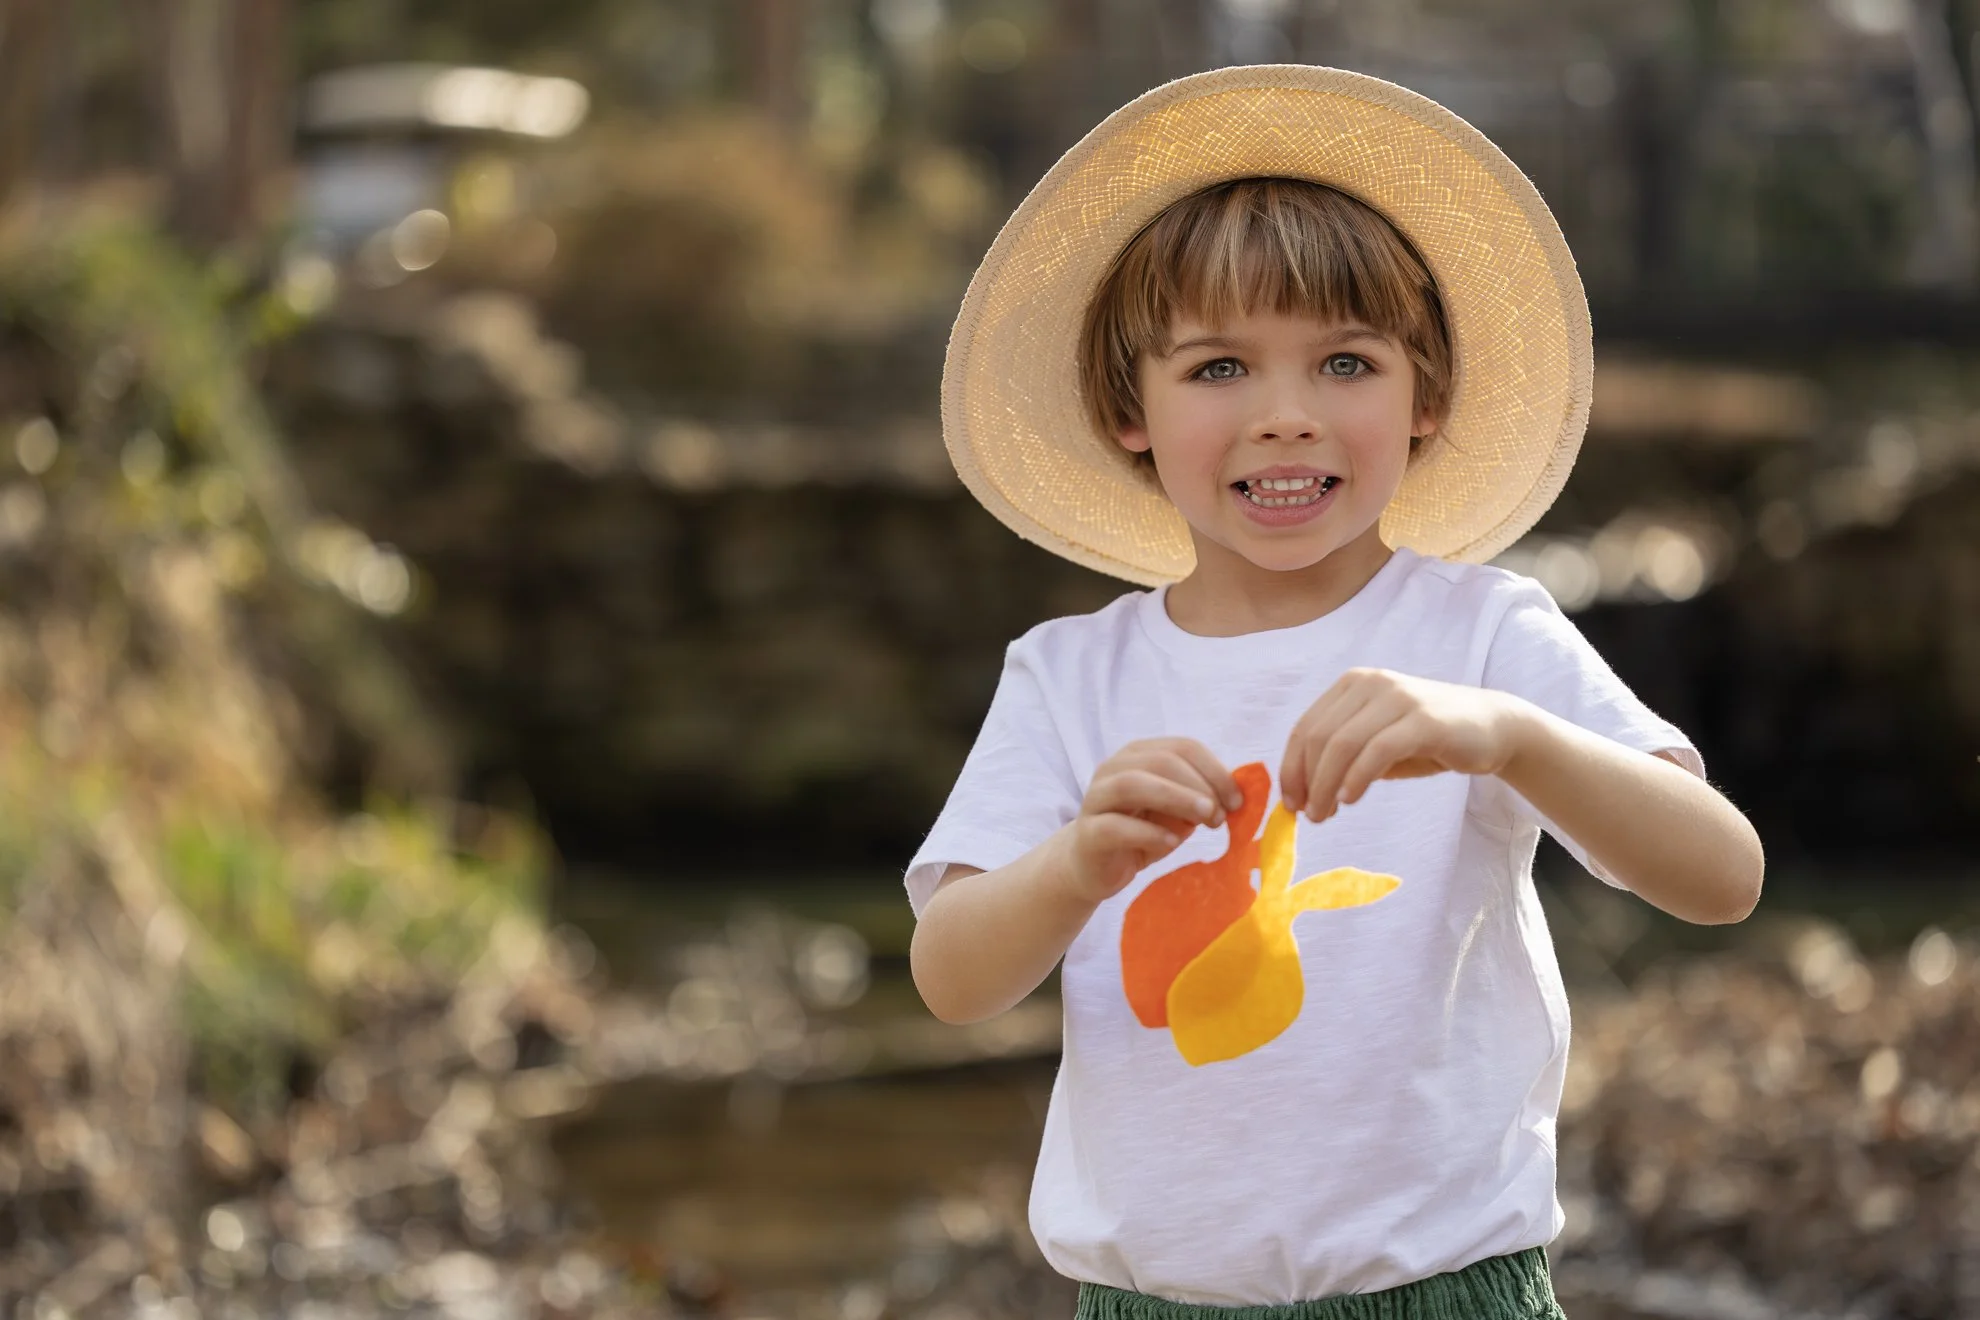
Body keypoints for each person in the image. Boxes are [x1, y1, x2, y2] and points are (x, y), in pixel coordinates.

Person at [904, 66, 1764, 1320]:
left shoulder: (1478, 633)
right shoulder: (1069, 677)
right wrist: (1079, 864)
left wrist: (1511, 738)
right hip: (1148, 1304)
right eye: (1218, 371)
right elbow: (951, 977)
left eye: (1347, 364)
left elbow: (1724, 875)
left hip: (1444, 1290)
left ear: (1427, 398)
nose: (1286, 418)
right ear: (1125, 410)